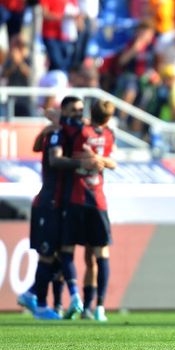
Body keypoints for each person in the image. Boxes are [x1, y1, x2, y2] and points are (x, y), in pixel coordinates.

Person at [17, 97, 102, 319]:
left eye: (81, 110)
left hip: (62, 203)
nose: (79, 113)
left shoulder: (66, 131)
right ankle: (42, 305)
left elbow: (42, 141)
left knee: (61, 253)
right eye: (74, 110)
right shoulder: (57, 132)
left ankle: (37, 295)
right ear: (63, 110)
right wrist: (81, 163)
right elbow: (54, 160)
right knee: (48, 255)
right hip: (48, 202)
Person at [55, 100, 117, 321]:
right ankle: (98, 306)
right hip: (98, 201)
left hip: (76, 198)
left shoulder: (78, 131)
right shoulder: (109, 135)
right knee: (99, 255)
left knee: (67, 250)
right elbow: (114, 162)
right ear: (109, 118)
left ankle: (74, 299)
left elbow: (60, 124)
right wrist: (101, 160)